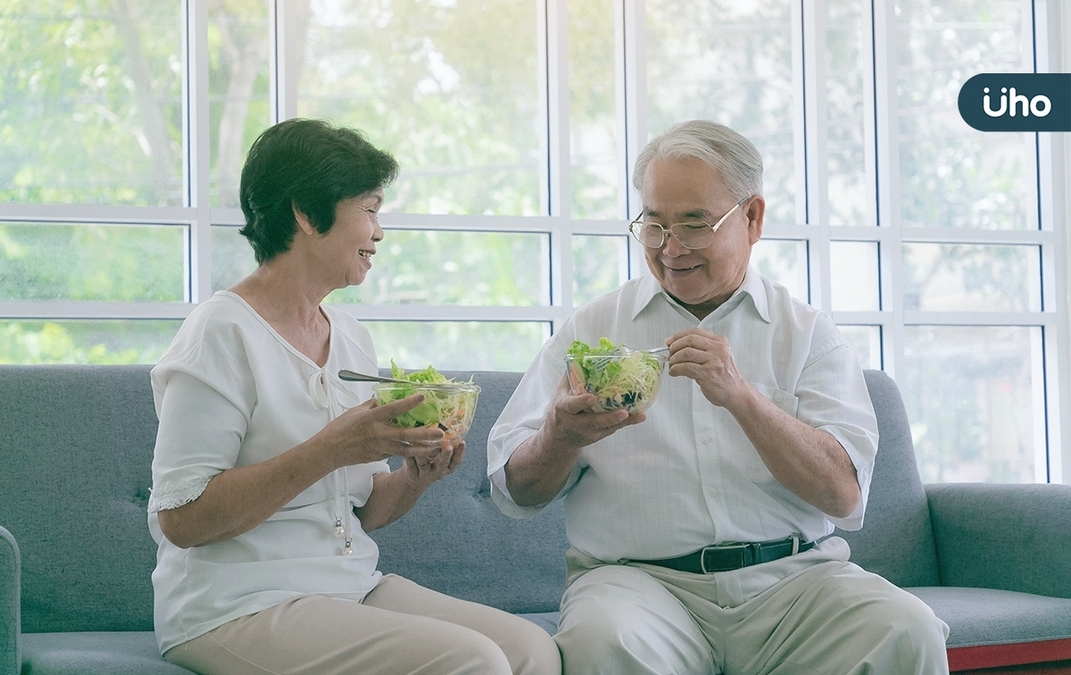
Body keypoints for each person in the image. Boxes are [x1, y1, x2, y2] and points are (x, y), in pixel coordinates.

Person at [487, 120, 950, 674]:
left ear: (752, 218)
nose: (670, 249)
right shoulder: (590, 332)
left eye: (694, 224)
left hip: (797, 584)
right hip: (641, 585)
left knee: (905, 628)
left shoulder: (805, 334)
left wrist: (741, 397)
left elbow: (843, 496)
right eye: (653, 225)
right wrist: (559, 438)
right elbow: (515, 493)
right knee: (602, 640)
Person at [147, 118, 561, 675]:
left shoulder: (350, 337)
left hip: (348, 586)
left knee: (531, 649)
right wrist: (332, 448)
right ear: (305, 213)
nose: (379, 232)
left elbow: (361, 513)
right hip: (234, 605)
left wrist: (416, 476)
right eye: (369, 210)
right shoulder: (221, 331)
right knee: (473, 661)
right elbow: (183, 519)